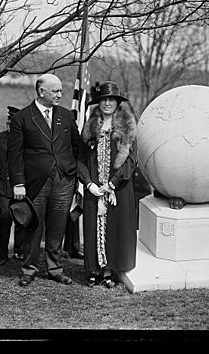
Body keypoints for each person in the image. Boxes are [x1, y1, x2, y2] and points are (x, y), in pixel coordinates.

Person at [7, 73, 80, 287]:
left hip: (63, 181)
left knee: (57, 226)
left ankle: (54, 269)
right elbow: (15, 155)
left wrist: (72, 172)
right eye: (55, 91)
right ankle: (29, 269)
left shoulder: (66, 116)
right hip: (35, 183)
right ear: (41, 92)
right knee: (33, 228)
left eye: (60, 90)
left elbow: (76, 147)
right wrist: (18, 183)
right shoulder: (22, 118)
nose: (60, 94)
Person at [77, 81, 138, 288]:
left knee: (114, 227)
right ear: (98, 102)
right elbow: (81, 160)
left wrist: (112, 183)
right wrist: (88, 183)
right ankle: (94, 268)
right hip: (94, 187)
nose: (107, 103)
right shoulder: (89, 127)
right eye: (103, 100)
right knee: (93, 225)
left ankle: (110, 269)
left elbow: (131, 160)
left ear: (118, 102)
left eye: (111, 99)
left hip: (117, 188)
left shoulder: (127, 126)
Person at [0, 106, 24, 265]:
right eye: (9, 120)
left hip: (20, 185)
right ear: (7, 121)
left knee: (20, 217)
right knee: (5, 215)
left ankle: (19, 250)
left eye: (14, 122)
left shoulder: (26, 141)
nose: (10, 124)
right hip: (2, 184)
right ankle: (2, 255)